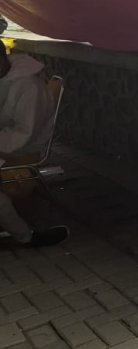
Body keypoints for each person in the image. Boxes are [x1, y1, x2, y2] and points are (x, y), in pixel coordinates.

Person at [0, 45, 69, 247]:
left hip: (22, 148)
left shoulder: (29, 87)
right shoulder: (6, 78)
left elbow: (25, 135)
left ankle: (24, 236)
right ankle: (23, 234)